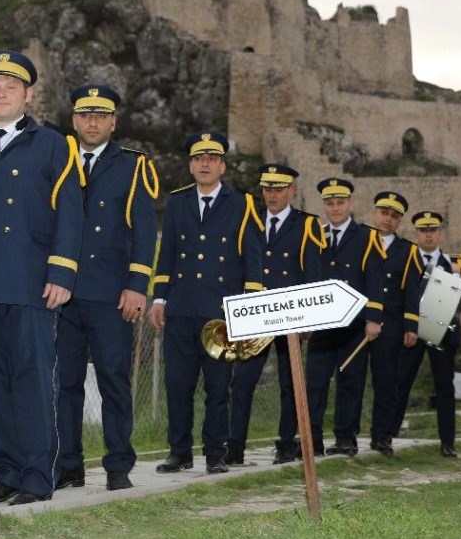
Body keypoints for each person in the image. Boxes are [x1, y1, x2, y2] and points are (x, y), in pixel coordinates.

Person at [0, 51, 84, 505]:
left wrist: (62, 272)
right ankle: (8, 472)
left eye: (11, 86)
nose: (1, 92)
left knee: (32, 380)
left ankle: (37, 477)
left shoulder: (56, 145)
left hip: (32, 282)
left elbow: (70, 214)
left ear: (28, 94)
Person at [55, 85, 159, 492]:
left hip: (111, 295)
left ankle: (118, 464)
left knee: (114, 380)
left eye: (101, 115)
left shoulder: (132, 166)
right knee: (64, 383)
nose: (92, 122)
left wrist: (137, 286)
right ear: (74, 120)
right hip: (62, 292)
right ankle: (68, 464)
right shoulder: (59, 159)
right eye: (85, 115)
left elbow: (144, 232)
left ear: (114, 122)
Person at [147, 132, 263, 476]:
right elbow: (166, 255)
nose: (205, 164)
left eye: (212, 158)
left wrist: (248, 309)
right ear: (191, 165)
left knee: (217, 387)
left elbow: (252, 260)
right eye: (199, 159)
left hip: (221, 314)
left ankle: (215, 453)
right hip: (181, 309)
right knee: (178, 385)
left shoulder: (242, 204)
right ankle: (179, 451)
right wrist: (159, 299)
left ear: (222, 166)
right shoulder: (178, 202)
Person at [228, 163, 324, 465]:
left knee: (289, 383)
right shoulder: (250, 220)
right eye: (267, 188)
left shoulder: (306, 224)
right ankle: (234, 447)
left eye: (279, 189)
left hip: (290, 315)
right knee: (242, 382)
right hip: (256, 313)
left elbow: (313, 275)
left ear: (291, 191)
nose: (272, 194)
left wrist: (309, 320)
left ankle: (285, 444)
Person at [301, 177, 383, 457]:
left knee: (350, 382)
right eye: (329, 203)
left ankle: (346, 438)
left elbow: (374, 279)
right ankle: (312, 439)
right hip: (322, 323)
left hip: (355, 322)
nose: (335, 208)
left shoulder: (367, 237)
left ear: (350, 203)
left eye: (340, 203)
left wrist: (374, 318)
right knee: (315, 383)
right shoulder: (314, 235)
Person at [391, 210, 461, 457]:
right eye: (423, 231)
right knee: (400, 384)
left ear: (439, 233)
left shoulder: (455, 262)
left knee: (444, 388)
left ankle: (448, 443)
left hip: (443, 335)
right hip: (412, 333)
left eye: (432, 230)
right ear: (416, 233)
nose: (428, 235)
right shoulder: (406, 260)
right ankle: (387, 437)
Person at [365, 191, 425, 457]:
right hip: (359, 321)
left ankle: (382, 436)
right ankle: (346, 436)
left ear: (399, 220)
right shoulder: (360, 241)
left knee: (386, 381)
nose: (387, 219)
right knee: (352, 380)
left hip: (390, 323)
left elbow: (412, 290)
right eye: (384, 213)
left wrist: (411, 326)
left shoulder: (408, 250)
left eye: (394, 215)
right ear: (375, 213)